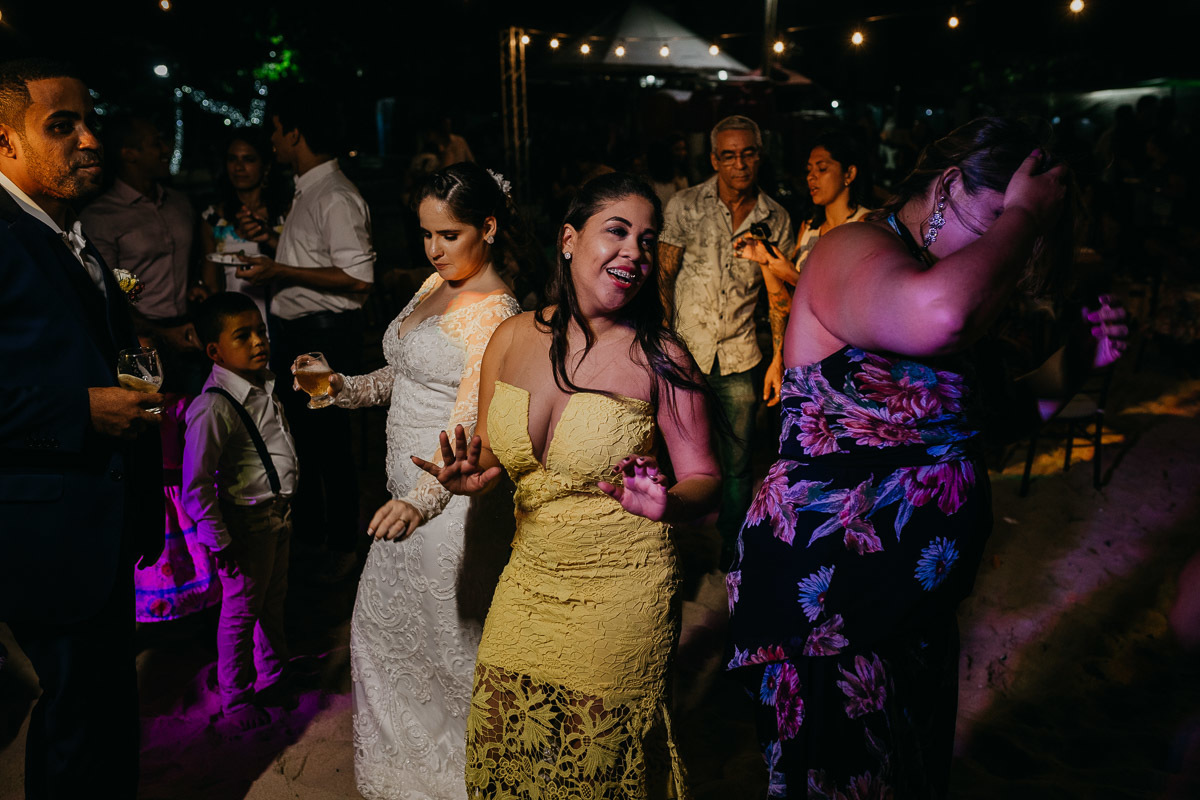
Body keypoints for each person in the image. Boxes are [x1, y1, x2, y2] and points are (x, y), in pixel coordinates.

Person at [726, 117, 1128, 798]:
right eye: (997, 219)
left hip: (910, 616)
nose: (1011, 249)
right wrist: (1027, 214)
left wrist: (1084, 358)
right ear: (946, 187)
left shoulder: (947, 281)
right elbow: (942, 315)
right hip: (831, 612)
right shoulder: (853, 248)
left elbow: (987, 424)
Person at [416, 173, 722, 797]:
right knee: (503, 749)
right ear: (568, 238)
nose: (635, 251)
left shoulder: (662, 357)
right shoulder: (511, 337)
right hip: (528, 582)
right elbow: (494, 459)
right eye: (617, 231)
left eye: (647, 238)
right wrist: (471, 477)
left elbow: (705, 479)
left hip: (624, 587)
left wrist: (670, 502)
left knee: (593, 769)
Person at [307, 162, 522, 799]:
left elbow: (470, 429)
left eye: (449, 235)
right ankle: (405, 780)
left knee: (452, 651)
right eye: (426, 234)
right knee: (387, 640)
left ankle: (464, 782)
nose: (433, 249)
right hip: (400, 505)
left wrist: (420, 502)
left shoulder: (496, 313)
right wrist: (339, 386)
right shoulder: (433, 282)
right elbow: (399, 374)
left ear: (488, 228)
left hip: (446, 505)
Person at [0, 57, 164, 798]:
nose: (90, 140)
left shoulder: (66, 231)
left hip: (99, 525)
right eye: (61, 127)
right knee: (71, 728)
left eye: (88, 121)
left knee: (103, 714)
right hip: (45, 539)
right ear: (4, 143)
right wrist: (80, 409)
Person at [237, 84, 375, 582]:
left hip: (325, 337)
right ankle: (317, 538)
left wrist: (280, 269)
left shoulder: (334, 195)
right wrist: (273, 244)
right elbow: (319, 260)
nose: (271, 142)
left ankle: (340, 546)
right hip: (303, 334)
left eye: (275, 131)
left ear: (293, 133)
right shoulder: (309, 190)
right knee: (308, 441)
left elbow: (359, 278)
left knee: (330, 443)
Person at [658, 114, 792, 564]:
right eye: (729, 155)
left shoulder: (776, 217)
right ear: (715, 158)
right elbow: (663, 274)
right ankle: (671, 546)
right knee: (674, 457)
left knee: (737, 466)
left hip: (740, 355)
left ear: (760, 155)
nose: (740, 164)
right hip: (683, 352)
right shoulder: (684, 205)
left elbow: (778, 297)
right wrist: (658, 343)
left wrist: (777, 358)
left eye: (748, 153)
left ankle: (731, 549)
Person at [183, 292, 298, 732]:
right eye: (243, 335)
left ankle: (275, 674)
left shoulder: (262, 385)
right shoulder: (213, 406)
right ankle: (235, 698)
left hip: (278, 514)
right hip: (245, 524)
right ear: (214, 351)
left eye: (261, 331)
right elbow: (196, 485)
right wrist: (219, 539)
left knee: (272, 600)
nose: (258, 342)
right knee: (241, 611)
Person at [80, 112, 202, 354]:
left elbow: (196, 256)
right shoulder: (100, 217)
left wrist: (199, 285)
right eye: (156, 143)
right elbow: (108, 292)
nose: (166, 149)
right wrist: (162, 334)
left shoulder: (179, 203)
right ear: (129, 154)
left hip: (192, 327)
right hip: (141, 338)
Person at [737, 128, 875, 286]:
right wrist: (766, 260)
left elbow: (852, 295)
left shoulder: (865, 225)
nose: (811, 176)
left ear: (849, 174)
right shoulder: (809, 228)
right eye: (809, 170)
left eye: (822, 169)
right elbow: (786, 303)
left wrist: (795, 278)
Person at [198, 130, 291, 320]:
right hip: (239, 319)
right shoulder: (214, 219)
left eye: (248, 159)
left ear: (265, 167)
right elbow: (212, 283)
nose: (238, 167)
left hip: (286, 317)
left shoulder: (286, 214)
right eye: (232, 159)